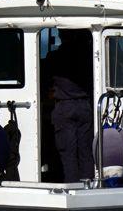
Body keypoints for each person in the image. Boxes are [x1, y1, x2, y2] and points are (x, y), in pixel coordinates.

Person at [40, 29, 95, 184]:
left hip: (64, 107)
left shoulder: (54, 57)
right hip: (85, 106)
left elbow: (44, 81)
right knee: (85, 151)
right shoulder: (88, 56)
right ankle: (87, 184)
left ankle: (72, 185)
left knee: (68, 152)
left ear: (61, 36)